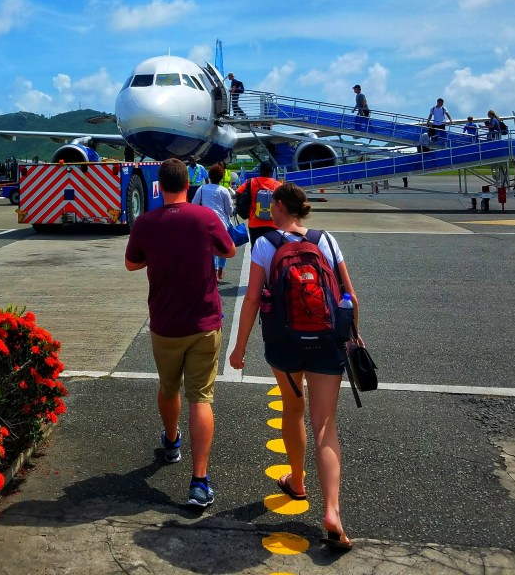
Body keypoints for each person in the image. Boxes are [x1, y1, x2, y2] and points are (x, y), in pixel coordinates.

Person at [229, 182, 359, 552]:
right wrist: (354, 338)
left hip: (285, 345)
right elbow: (350, 295)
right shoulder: (326, 240)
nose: (268, 208)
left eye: (271, 203)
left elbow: (253, 299)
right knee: (325, 426)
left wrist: (239, 349)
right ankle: (332, 512)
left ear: (283, 206)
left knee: (293, 407)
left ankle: (298, 482)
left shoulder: (266, 244)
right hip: (326, 342)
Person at [125, 158, 236, 508]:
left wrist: (156, 255)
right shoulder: (204, 218)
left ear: (159, 186)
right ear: (188, 184)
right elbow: (229, 250)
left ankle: (171, 442)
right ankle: (199, 482)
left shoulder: (145, 222)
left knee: (168, 387)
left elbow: (132, 263)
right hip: (203, 323)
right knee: (201, 398)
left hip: (165, 324)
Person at [193, 163, 234, 282]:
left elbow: (194, 204)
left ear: (209, 176)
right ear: (221, 178)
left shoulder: (201, 189)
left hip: (206, 222)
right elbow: (229, 210)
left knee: (211, 248)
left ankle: (214, 271)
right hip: (222, 223)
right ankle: (221, 269)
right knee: (222, 246)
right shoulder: (224, 191)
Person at [235, 160, 282, 245]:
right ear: (271, 172)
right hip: (273, 223)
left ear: (260, 171)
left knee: (255, 249)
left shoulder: (250, 182)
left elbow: (238, 193)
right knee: (272, 250)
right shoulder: (278, 185)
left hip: (255, 223)